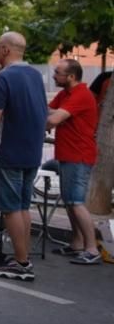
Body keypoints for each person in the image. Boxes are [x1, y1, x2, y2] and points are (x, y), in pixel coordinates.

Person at [0, 32, 47, 281]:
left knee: (10, 209)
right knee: (23, 206)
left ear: (5, 50)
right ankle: (22, 256)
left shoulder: (4, 76)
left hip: (7, 151)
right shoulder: (36, 75)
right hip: (31, 152)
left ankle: (21, 263)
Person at [44, 59, 101, 265]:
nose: (53, 75)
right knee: (69, 202)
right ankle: (77, 243)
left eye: (58, 73)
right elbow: (48, 110)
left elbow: (53, 119)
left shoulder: (80, 94)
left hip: (80, 155)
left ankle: (92, 248)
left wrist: (48, 118)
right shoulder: (65, 94)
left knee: (76, 202)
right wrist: (50, 114)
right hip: (68, 154)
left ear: (71, 77)